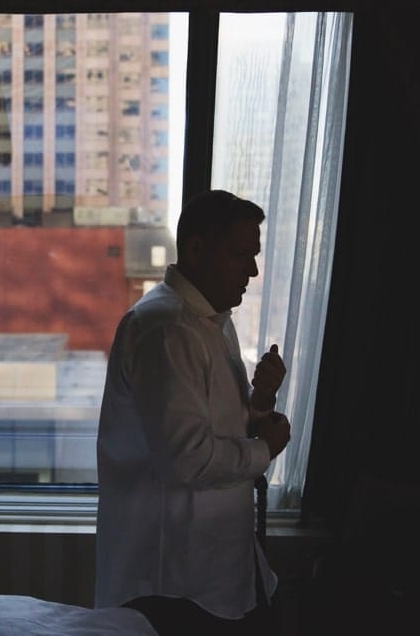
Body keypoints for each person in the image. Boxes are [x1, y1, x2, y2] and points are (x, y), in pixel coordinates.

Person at [95, 189, 291, 635]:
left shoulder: (209, 321)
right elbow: (186, 459)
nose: (253, 270)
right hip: (176, 581)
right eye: (240, 254)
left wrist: (258, 405)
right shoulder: (167, 330)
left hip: (212, 571)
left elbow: (210, 430)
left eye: (253, 255)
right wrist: (265, 448)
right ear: (198, 249)